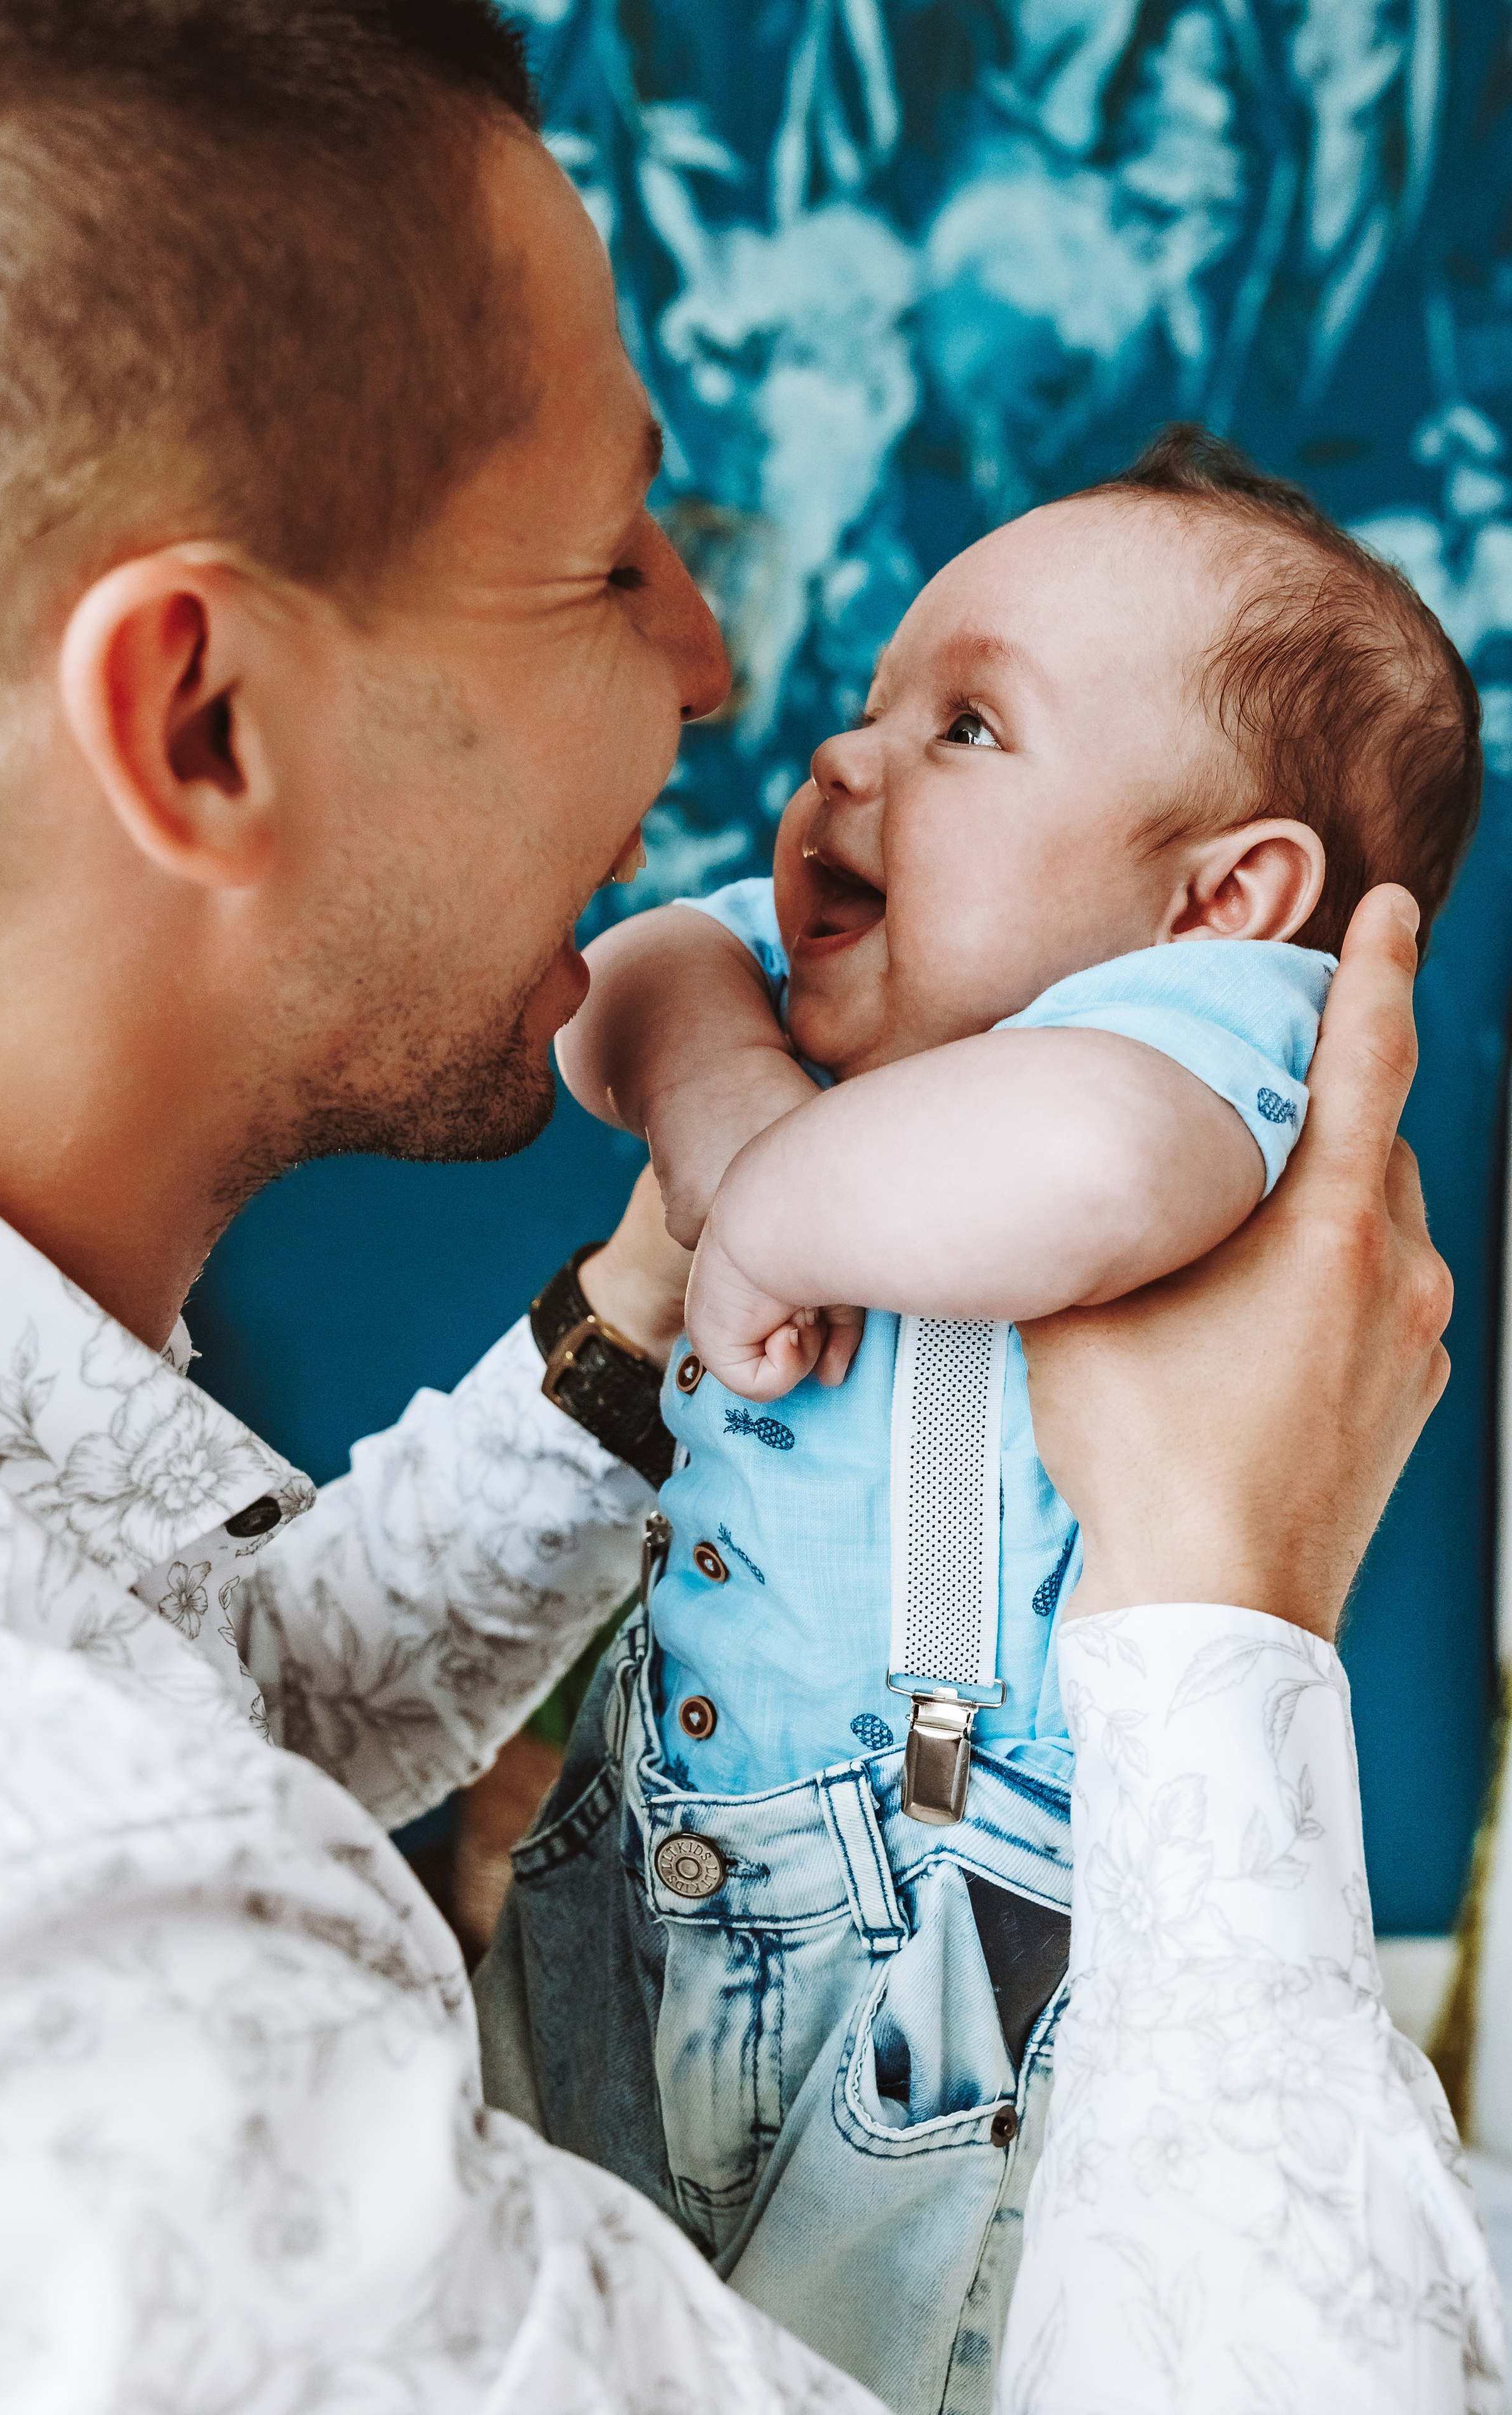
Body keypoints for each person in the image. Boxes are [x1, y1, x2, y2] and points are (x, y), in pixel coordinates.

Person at [0, 6, 1492, 2412]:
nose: (730, 668)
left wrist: (665, 1282)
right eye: (608, 561)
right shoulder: (89, 2015)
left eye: (967, 725)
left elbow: (260, 1702)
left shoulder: (1183, 1034)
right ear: (205, 720)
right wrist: (1223, 1624)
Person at [476, 435, 1486, 2409]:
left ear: (1225, 895)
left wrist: (766, 1203)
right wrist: (733, 1125)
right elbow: (627, 979)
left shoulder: (1206, 1041)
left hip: (942, 1943)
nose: (842, 763)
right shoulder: (817, 1030)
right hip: (648, 1871)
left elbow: (1086, 1172)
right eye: (865, 708)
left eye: (965, 727)